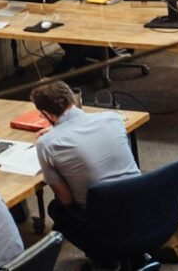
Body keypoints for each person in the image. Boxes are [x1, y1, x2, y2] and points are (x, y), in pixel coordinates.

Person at [30, 81, 140, 253]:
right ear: (72, 99)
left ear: (47, 115)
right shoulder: (112, 118)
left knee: (56, 208)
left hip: (103, 217)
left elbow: (65, 199)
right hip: (141, 202)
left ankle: (105, 255)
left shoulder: (46, 144)